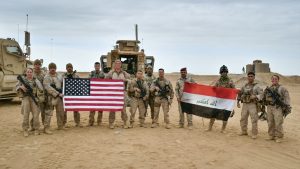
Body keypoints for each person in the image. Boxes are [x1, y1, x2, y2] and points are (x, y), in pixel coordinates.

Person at [207, 65, 235, 133]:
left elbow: (234, 91)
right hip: (218, 101)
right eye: (222, 72)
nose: (224, 73)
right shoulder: (218, 81)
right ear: (220, 73)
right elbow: (214, 89)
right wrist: (213, 88)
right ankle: (209, 128)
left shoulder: (230, 81)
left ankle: (223, 129)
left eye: (225, 72)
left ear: (227, 72)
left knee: (225, 116)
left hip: (226, 101)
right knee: (213, 114)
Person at [263, 75, 291, 143]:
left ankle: (279, 136)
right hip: (269, 107)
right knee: (270, 122)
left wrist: (286, 106)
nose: (274, 80)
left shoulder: (282, 88)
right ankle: (271, 135)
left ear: (278, 80)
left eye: (275, 79)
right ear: (271, 80)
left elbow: (287, 98)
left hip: (277, 107)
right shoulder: (268, 88)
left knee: (278, 122)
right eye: (273, 79)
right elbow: (264, 97)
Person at [16, 68, 43, 137]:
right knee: (26, 114)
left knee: (36, 114)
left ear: (32, 73)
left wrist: (36, 85)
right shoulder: (22, 80)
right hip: (25, 98)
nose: (29, 73)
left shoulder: (35, 80)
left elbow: (41, 88)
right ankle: (25, 130)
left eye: (30, 72)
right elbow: (16, 87)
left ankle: (36, 129)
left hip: (33, 98)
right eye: (28, 72)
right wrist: (21, 87)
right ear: (26, 73)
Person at [237, 72, 263, 139]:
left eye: (251, 76)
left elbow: (262, 95)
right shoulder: (244, 86)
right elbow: (240, 93)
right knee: (243, 118)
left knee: (254, 119)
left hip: (253, 104)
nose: (250, 77)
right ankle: (244, 131)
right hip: (245, 104)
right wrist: (238, 101)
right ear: (247, 77)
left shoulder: (257, 86)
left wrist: (255, 96)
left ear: (254, 77)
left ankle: (254, 133)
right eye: (249, 76)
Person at [106, 60, 131, 129]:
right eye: (116, 64)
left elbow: (130, 79)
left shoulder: (124, 73)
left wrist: (125, 80)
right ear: (114, 65)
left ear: (121, 65)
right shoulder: (111, 73)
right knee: (112, 108)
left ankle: (125, 122)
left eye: (119, 64)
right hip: (113, 93)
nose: (117, 65)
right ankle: (111, 123)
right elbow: (105, 80)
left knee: (123, 108)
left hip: (122, 93)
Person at [43, 63, 64, 134]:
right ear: (49, 69)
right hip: (50, 97)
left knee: (60, 112)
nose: (53, 69)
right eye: (51, 68)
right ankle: (46, 128)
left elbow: (63, 84)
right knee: (48, 113)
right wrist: (57, 93)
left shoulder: (59, 76)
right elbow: (48, 88)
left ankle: (60, 126)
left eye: (54, 68)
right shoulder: (46, 77)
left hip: (59, 97)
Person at [63, 63, 81, 127]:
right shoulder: (63, 76)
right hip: (66, 95)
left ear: (72, 68)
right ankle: (63, 123)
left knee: (76, 109)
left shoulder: (76, 76)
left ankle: (77, 122)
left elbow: (80, 84)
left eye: (70, 67)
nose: (69, 68)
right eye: (68, 67)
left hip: (74, 95)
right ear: (66, 68)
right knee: (64, 110)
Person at [30, 59, 46, 130]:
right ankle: (33, 126)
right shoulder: (31, 73)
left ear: (40, 65)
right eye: (36, 64)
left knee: (43, 112)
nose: (37, 66)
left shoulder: (43, 74)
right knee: (35, 112)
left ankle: (44, 126)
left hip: (42, 96)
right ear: (34, 65)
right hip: (33, 96)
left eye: (39, 65)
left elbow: (45, 85)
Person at [88, 62, 105, 126]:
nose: (97, 67)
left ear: (100, 67)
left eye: (98, 66)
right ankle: (91, 122)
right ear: (94, 66)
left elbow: (105, 82)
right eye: (96, 66)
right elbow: (88, 80)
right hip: (93, 94)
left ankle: (99, 122)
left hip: (100, 94)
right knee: (92, 108)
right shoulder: (91, 73)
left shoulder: (102, 74)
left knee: (100, 109)